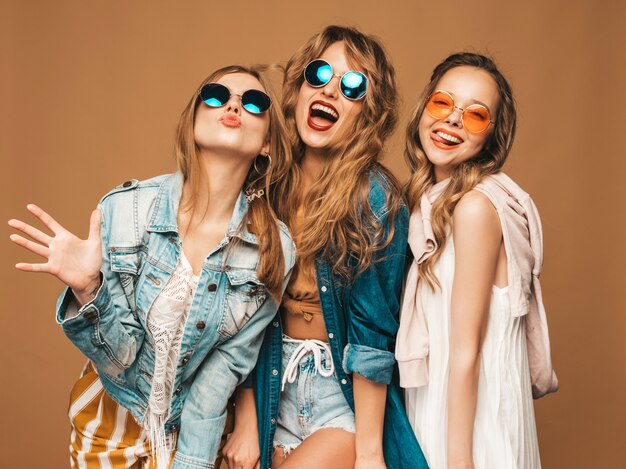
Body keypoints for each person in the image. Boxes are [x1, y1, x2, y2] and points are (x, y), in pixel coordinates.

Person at [8, 65, 296, 469]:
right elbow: (121, 358)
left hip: (196, 432)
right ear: (193, 119)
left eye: (254, 102)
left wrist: (191, 463)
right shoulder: (126, 210)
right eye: (216, 95)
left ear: (268, 142)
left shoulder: (274, 249)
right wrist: (90, 290)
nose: (233, 105)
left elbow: (225, 368)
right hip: (108, 421)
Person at [224, 26, 428, 469]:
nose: (331, 91)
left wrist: (370, 453)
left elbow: (372, 339)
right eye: (320, 74)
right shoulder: (263, 184)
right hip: (269, 389)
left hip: (342, 399)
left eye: (353, 87)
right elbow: (235, 313)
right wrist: (244, 418)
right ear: (298, 90)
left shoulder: (375, 200)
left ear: (367, 116)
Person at [396, 52, 559, 469]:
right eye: (443, 103)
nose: (452, 120)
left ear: (492, 135)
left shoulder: (475, 209)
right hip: (440, 406)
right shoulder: (428, 207)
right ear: (423, 109)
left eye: (474, 115)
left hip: (469, 427)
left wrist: (459, 461)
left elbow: (466, 351)